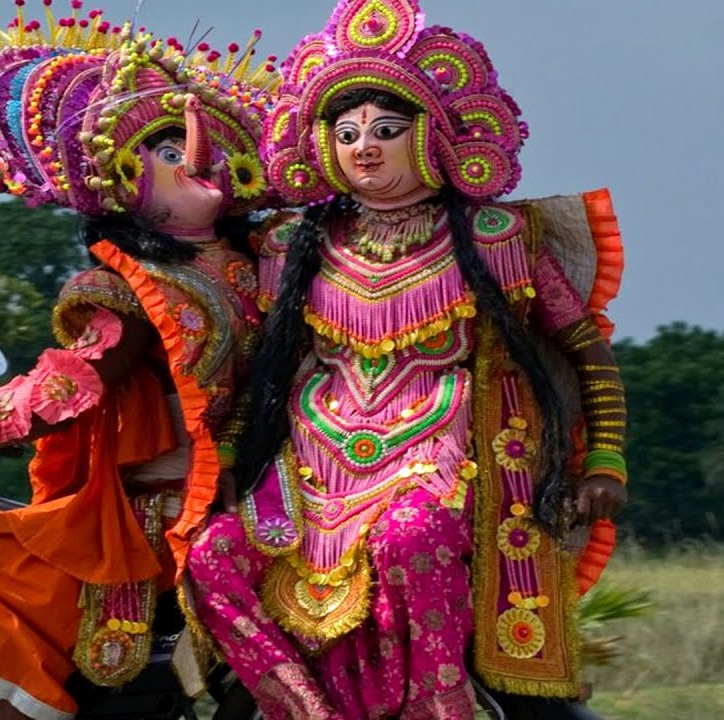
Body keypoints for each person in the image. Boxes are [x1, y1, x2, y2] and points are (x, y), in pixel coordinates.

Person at [181, 1, 628, 717]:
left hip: (440, 463)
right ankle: (301, 710)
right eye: (348, 131)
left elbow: (585, 351)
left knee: (409, 542)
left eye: (387, 131)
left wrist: (604, 460)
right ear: (322, 144)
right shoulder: (293, 244)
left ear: (432, 138)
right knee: (213, 555)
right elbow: (266, 370)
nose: (365, 147)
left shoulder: (496, 236)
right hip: (310, 467)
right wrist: (230, 454)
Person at [0, 4, 280, 718]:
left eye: (198, 142)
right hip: (248, 493)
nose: (196, 154)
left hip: (164, 517)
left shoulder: (144, 286)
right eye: (170, 150)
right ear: (125, 185)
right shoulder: (248, 264)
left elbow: (53, 394)